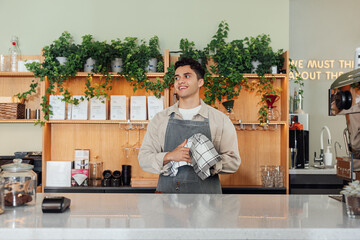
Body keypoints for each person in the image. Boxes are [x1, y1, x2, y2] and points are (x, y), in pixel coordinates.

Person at [138, 57, 241, 194]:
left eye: (187, 76)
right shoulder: (160, 119)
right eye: (176, 78)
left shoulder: (220, 120)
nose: (180, 81)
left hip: (208, 204)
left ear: (200, 82)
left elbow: (233, 162)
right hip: (166, 202)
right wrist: (169, 156)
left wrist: (205, 161)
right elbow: (144, 158)